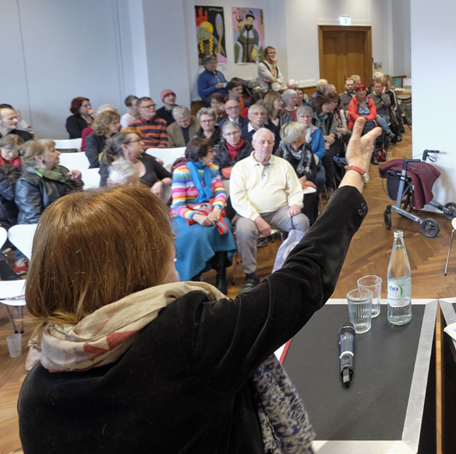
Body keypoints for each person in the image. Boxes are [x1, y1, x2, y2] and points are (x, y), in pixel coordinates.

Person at [16, 117, 381, 452]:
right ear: (137, 265)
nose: (173, 248)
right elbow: (304, 277)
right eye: (163, 241)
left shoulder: (35, 391)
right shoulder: (189, 337)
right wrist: (355, 172)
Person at [230, 128, 310, 293]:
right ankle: (250, 274)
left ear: (274, 144)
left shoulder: (283, 164)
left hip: (279, 210)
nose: (265, 145)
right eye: (262, 142)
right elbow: (238, 199)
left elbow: (294, 189)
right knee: (244, 230)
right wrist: (257, 218)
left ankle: (295, 266)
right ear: (253, 144)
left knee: (302, 221)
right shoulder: (241, 167)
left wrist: (295, 203)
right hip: (249, 214)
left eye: (269, 142)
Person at [169, 138, 236, 292]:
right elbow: (178, 205)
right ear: (200, 156)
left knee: (222, 228)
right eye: (211, 151)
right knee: (196, 234)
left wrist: (217, 210)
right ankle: (194, 276)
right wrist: (197, 217)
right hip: (186, 215)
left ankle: (221, 275)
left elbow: (220, 192)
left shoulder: (213, 168)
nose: (215, 153)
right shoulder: (181, 172)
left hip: (211, 210)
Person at [15, 140, 84, 225]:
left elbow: (77, 198)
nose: (59, 153)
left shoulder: (61, 170)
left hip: (68, 220)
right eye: (53, 151)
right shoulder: (26, 182)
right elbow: (34, 218)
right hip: (47, 229)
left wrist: (77, 182)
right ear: (39, 158)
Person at [99, 130, 173, 194]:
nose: (142, 143)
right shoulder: (109, 170)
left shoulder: (148, 161)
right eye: (137, 141)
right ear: (125, 147)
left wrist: (160, 183)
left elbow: (171, 177)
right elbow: (104, 195)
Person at [275, 122, 321, 223]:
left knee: (312, 193)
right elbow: (279, 178)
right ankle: (297, 226)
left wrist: (304, 179)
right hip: (287, 188)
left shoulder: (307, 148)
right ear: (296, 138)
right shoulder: (280, 154)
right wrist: (297, 183)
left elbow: (314, 169)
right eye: (303, 131)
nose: (305, 133)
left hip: (305, 183)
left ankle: (310, 226)